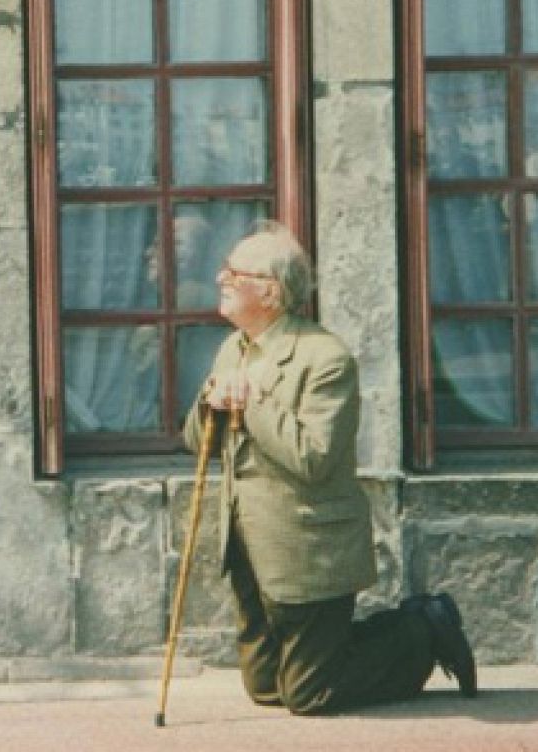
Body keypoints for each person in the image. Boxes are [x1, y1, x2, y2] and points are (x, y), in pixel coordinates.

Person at [182, 221, 477, 715]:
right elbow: (199, 443)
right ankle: (340, 649)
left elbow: (313, 458)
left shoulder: (326, 358)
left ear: (271, 291)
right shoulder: (233, 348)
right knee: (264, 687)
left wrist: (251, 398)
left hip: (306, 542)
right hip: (250, 543)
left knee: (309, 695)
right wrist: (211, 403)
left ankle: (423, 627)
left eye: (235, 272)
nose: (220, 278)